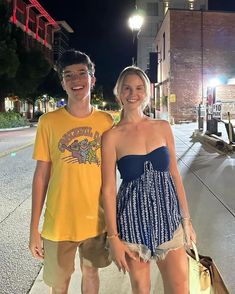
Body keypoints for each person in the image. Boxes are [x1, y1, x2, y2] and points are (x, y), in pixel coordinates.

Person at [101, 66, 196, 293]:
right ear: (119, 92)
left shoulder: (162, 127)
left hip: (169, 219)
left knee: (180, 285)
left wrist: (187, 220)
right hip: (132, 223)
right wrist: (113, 237)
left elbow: (174, 174)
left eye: (139, 88)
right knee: (141, 289)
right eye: (127, 88)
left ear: (146, 92)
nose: (133, 93)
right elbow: (108, 189)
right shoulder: (111, 137)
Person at [29, 49, 113, 294]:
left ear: (92, 79)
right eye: (69, 75)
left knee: (90, 272)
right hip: (59, 220)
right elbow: (41, 176)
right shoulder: (49, 122)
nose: (77, 80)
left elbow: (111, 175)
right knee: (60, 282)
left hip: (96, 219)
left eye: (82, 73)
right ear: (62, 82)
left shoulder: (106, 122)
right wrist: (34, 228)